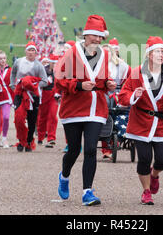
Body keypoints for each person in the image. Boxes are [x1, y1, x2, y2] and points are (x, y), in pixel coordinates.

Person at [55, 14, 117, 206]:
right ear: (86, 35)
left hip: (96, 109)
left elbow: (104, 79)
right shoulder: (71, 53)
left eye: (101, 37)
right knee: (74, 149)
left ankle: (87, 192)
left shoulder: (105, 55)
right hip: (74, 108)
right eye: (95, 36)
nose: (98, 40)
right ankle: (64, 176)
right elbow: (59, 80)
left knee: (91, 149)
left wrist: (109, 84)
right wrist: (79, 86)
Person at [118, 36, 163, 205]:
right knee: (144, 158)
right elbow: (123, 95)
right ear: (149, 54)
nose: (161, 55)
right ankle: (146, 191)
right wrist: (135, 94)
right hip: (141, 121)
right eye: (157, 51)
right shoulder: (136, 73)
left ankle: (154, 175)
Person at [10, 41, 48, 152]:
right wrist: (13, 85)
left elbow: (45, 81)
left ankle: (29, 141)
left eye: (33, 51)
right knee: (19, 118)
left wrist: (34, 86)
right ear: (25, 51)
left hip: (33, 96)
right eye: (29, 50)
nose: (31, 53)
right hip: (20, 94)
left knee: (32, 121)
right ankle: (21, 140)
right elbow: (13, 73)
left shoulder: (38, 66)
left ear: (36, 53)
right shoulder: (18, 62)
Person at [101, 43, 131, 160]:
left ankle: (118, 136)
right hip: (103, 92)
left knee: (116, 105)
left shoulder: (122, 65)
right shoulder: (97, 65)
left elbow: (129, 80)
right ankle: (106, 145)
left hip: (118, 92)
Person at [36, 54, 59, 147]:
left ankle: (51, 138)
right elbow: (38, 83)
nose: (55, 65)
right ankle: (40, 136)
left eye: (56, 63)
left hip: (54, 96)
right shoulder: (44, 70)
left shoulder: (60, 71)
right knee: (42, 117)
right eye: (53, 63)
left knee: (53, 116)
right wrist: (46, 81)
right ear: (49, 62)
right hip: (45, 95)